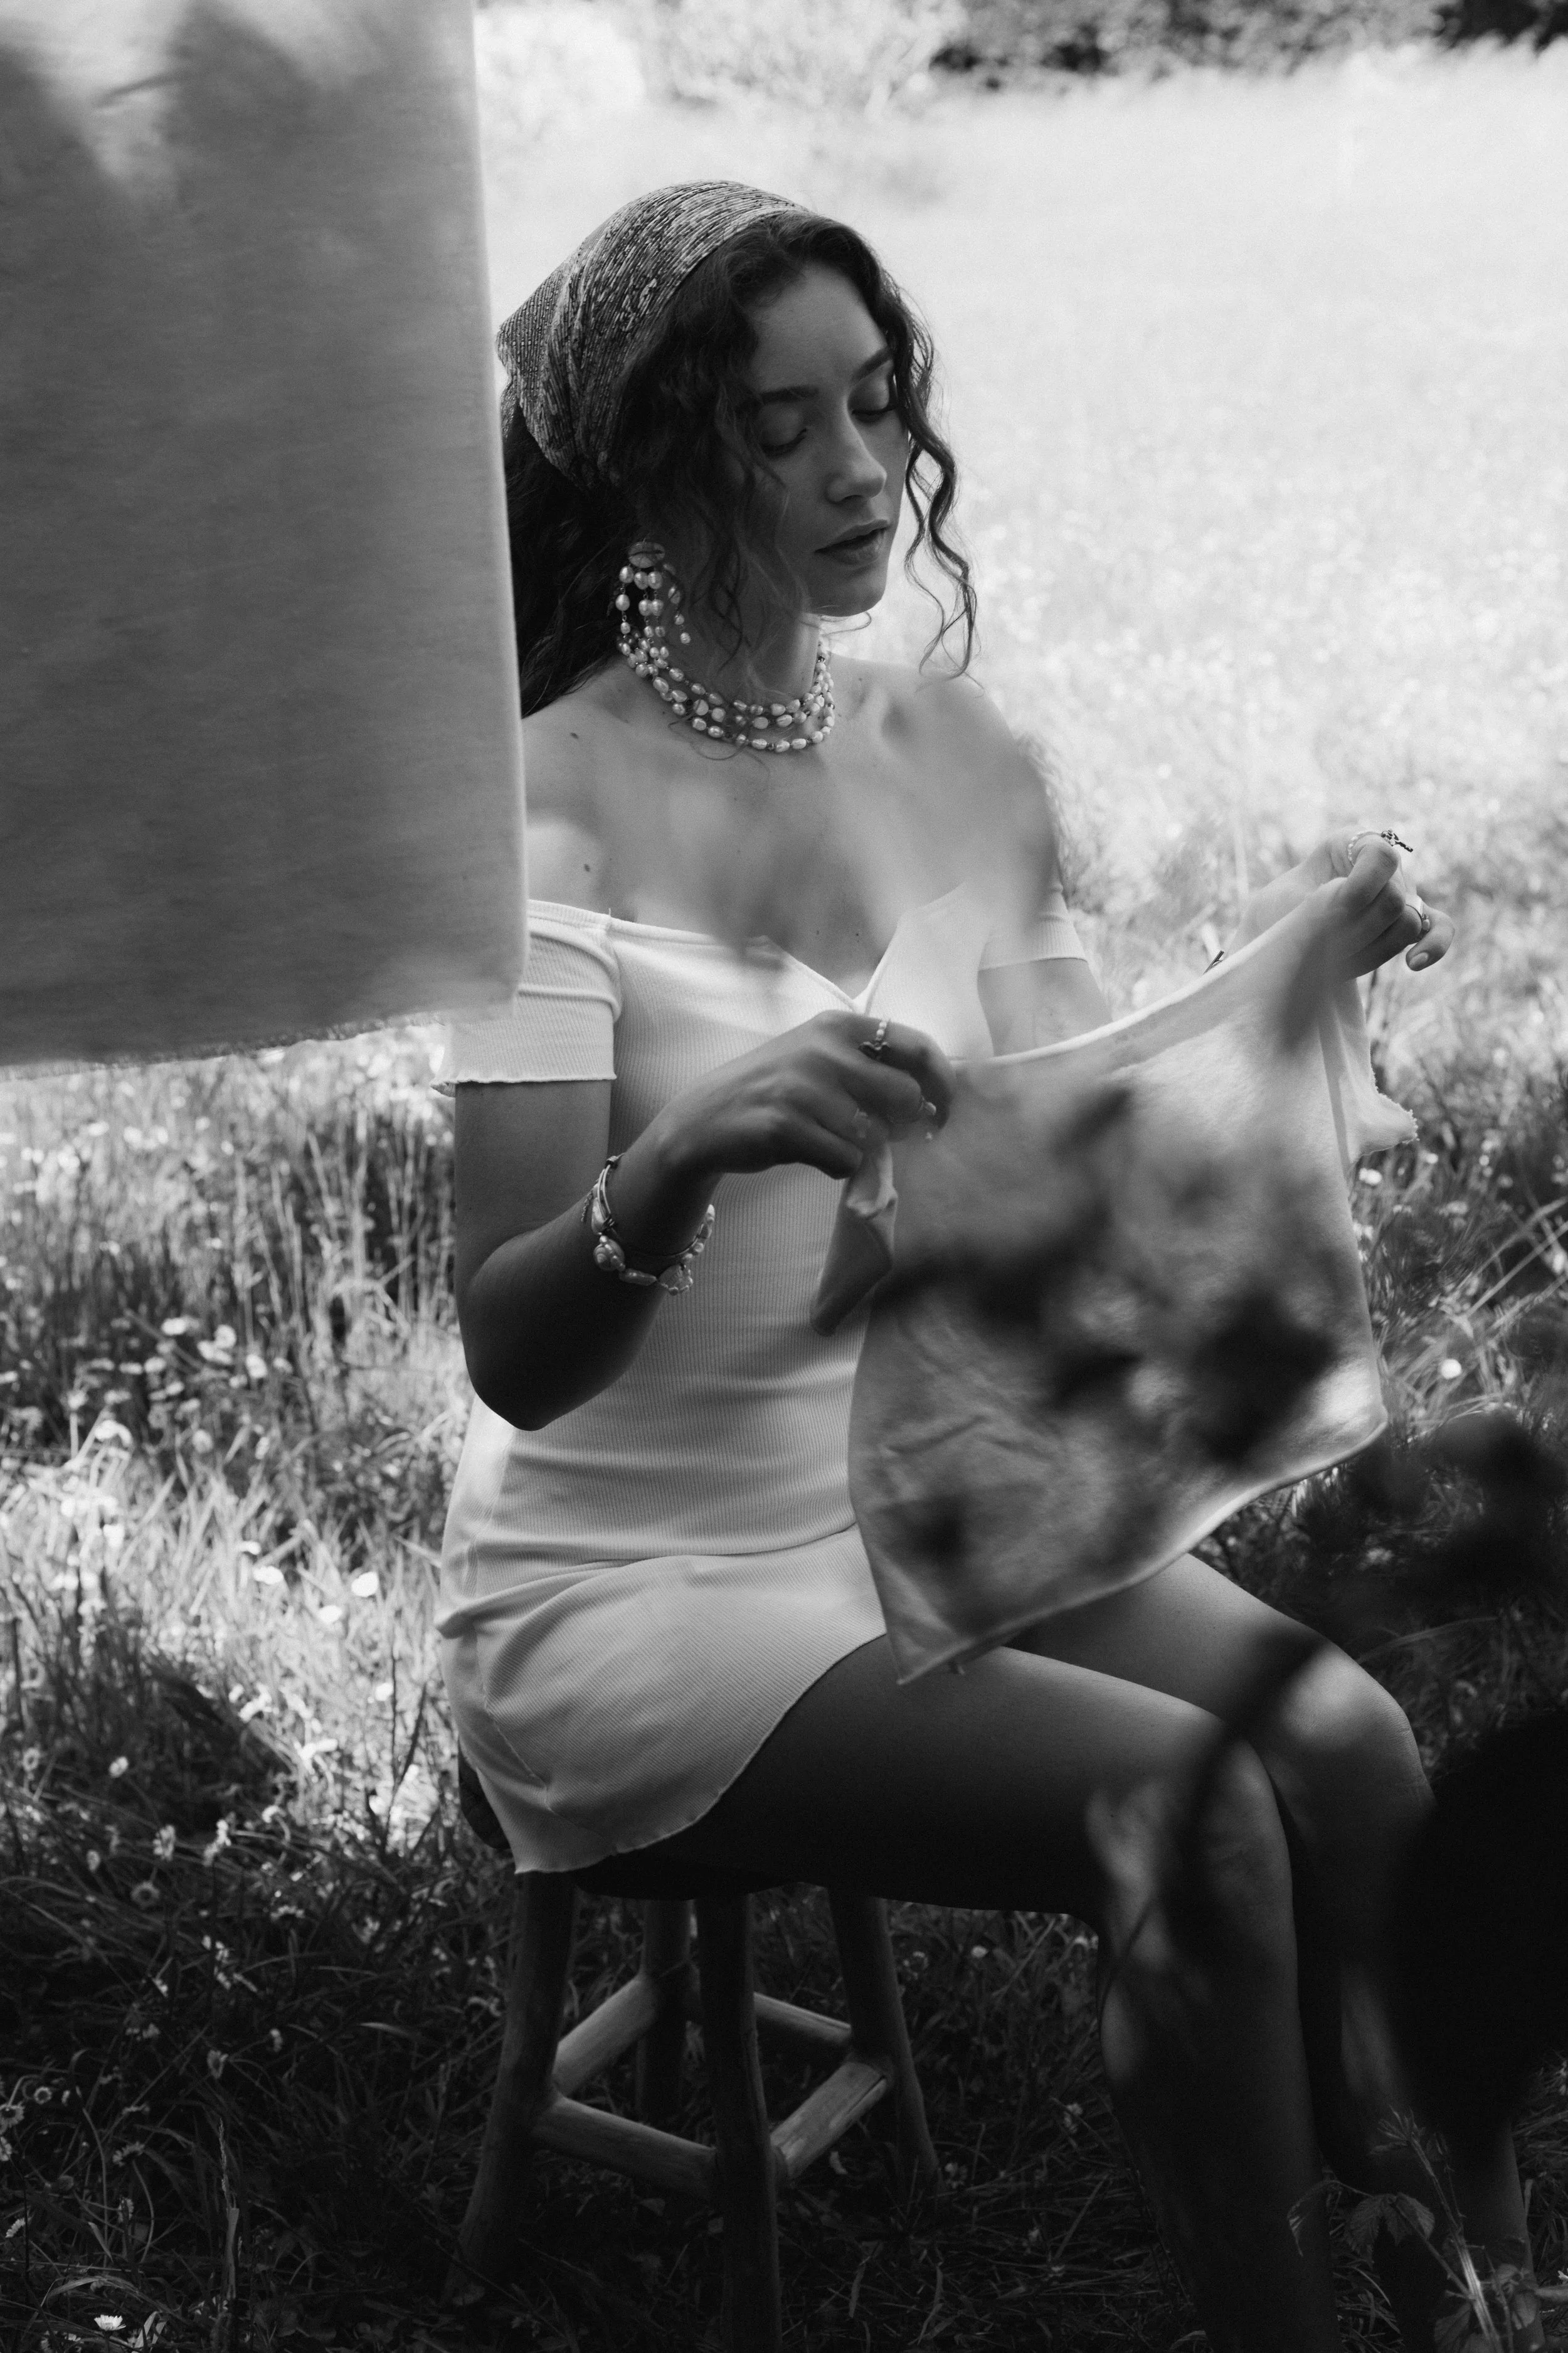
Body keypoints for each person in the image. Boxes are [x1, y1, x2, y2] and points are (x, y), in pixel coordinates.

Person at [438, 181, 1536, 2350]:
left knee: (1355, 1751)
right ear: (654, 464)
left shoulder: (938, 757)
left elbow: (1068, 1154)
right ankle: (1288, 2315)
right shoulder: (533, 830)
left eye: (875, 403)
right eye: (781, 429)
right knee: (1178, 1811)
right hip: (637, 1581)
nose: (862, 470)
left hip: (916, 1495)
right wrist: (677, 1158)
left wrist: (1288, 973)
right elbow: (510, 1351)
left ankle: (1468, 2274)